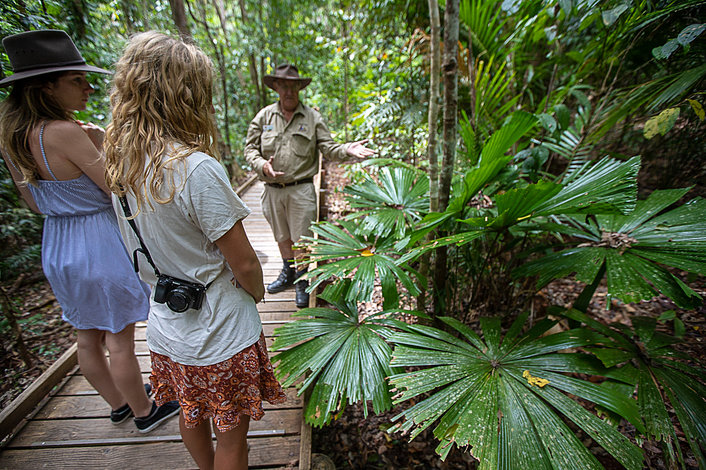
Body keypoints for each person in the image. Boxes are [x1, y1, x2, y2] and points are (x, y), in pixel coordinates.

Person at [104, 31, 287, 470]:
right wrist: (259, 293)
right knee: (233, 439)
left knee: (192, 414)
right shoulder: (195, 168)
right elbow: (243, 262)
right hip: (220, 330)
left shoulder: (122, 163)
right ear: (185, 94)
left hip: (167, 329)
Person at [0, 30, 179, 433]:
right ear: (46, 86)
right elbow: (116, 185)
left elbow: (33, 202)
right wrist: (102, 141)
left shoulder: (12, 137)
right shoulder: (64, 132)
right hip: (98, 241)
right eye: (76, 80)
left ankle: (118, 403)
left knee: (87, 334)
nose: (88, 87)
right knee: (118, 335)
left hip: (58, 243)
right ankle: (144, 411)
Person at [245, 64, 375, 308]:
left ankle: (303, 281)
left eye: (293, 86)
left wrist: (347, 149)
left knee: (302, 239)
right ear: (276, 87)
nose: (288, 91)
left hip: (301, 189)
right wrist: (262, 165)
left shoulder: (312, 118)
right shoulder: (264, 117)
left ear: (299, 88)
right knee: (282, 236)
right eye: (283, 86)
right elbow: (249, 149)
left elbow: (329, 148)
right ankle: (288, 273)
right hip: (272, 190)